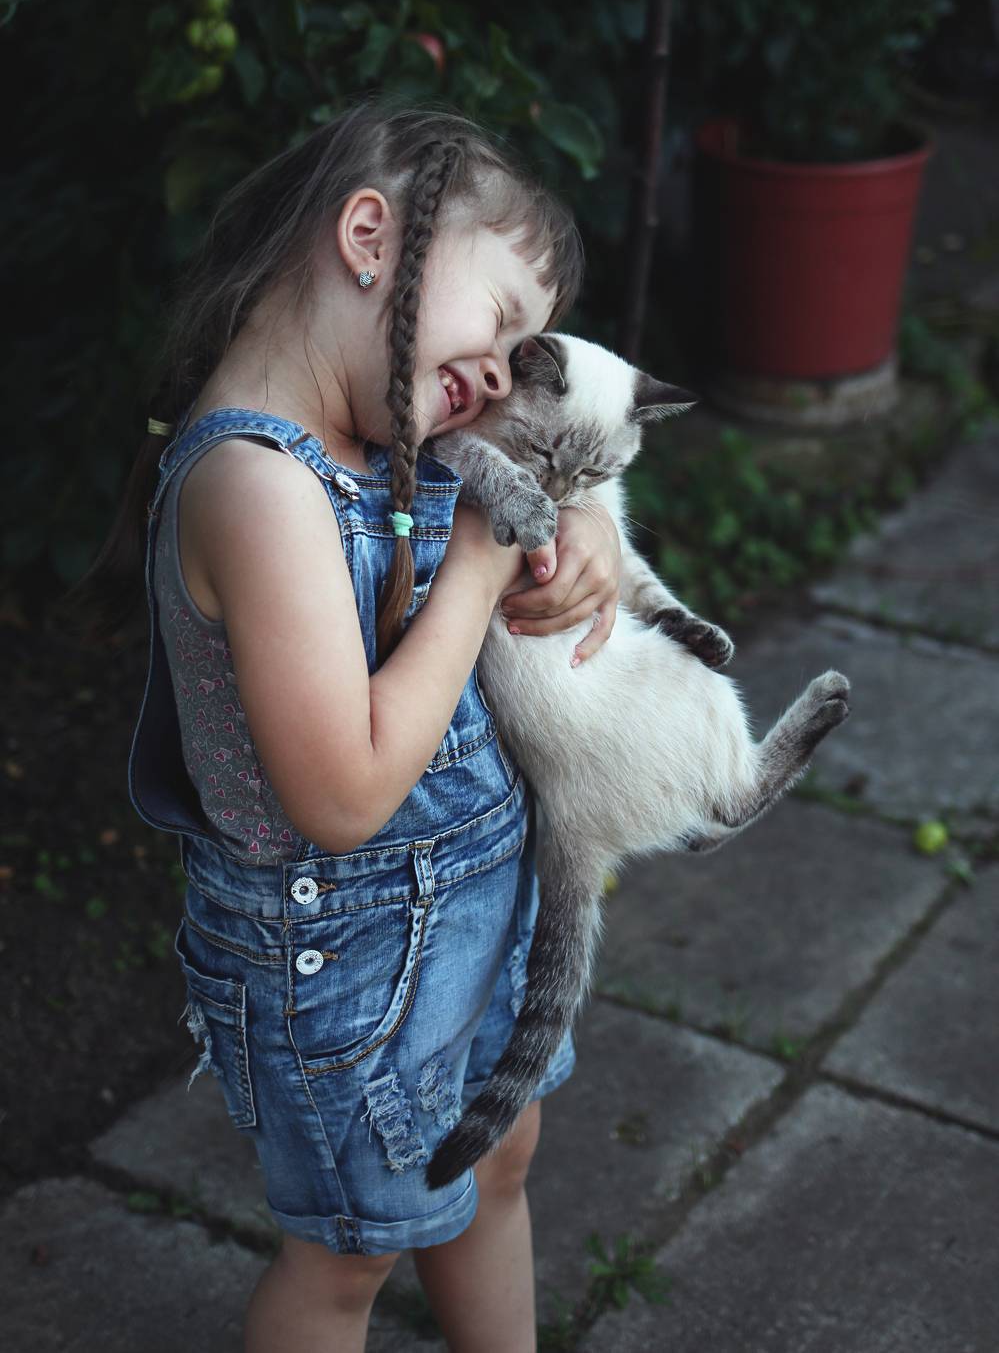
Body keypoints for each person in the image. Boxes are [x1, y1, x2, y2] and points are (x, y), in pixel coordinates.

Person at [78, 99, 623, 1352]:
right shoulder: (257, 484)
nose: (504, 377)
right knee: (349, 1257)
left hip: (480, 904)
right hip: (342, 955)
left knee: (499, 1161)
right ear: (369, 237)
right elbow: (342, 795)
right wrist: (479, 569)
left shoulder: (392, 428)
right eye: (502, 324)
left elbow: (530, 498)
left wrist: (581, 532)